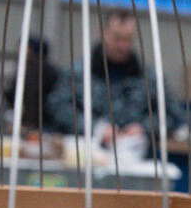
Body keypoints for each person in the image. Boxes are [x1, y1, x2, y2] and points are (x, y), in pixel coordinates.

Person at [46, 9, 181, 145]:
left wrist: (144, 127)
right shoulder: (78, 74)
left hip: (134, 156)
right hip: (86, 151)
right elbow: (57, 106)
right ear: (103, 33)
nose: (122, 45)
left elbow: (173, 114)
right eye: (117, 38)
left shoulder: (150, 78)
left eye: (128, 39)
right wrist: (95, 128)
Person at [5, 37, 60, 131]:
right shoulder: (26, 69)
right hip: (33, 123)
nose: (20, 51)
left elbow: (34, 100)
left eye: (25, 48)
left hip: (41, 125)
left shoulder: (39, 71)